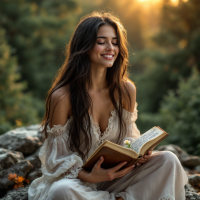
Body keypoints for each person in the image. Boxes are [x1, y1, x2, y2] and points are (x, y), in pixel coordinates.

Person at [28, 11, 188, 200]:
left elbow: (129, 137)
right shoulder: (63, 96)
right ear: (85, 46)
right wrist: (89, 175)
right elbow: (57, 159)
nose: (110, 48)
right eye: (101, 41)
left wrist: (139, 153)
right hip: (78, 181)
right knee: (60, 191)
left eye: (114, 42)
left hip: (117, 176)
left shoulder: (126, 89)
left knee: (168, 160)